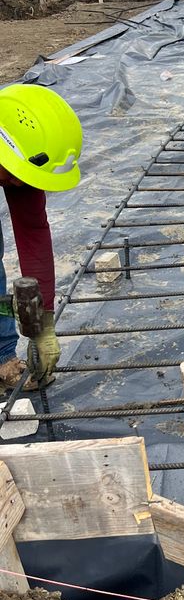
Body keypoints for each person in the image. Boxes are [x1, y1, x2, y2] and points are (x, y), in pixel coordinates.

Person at [0, 84, 82, 389]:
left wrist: (42, 321)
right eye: (16, 176)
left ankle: (1, 358)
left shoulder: (22, 151)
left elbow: (32, 231)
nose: (19, 185)